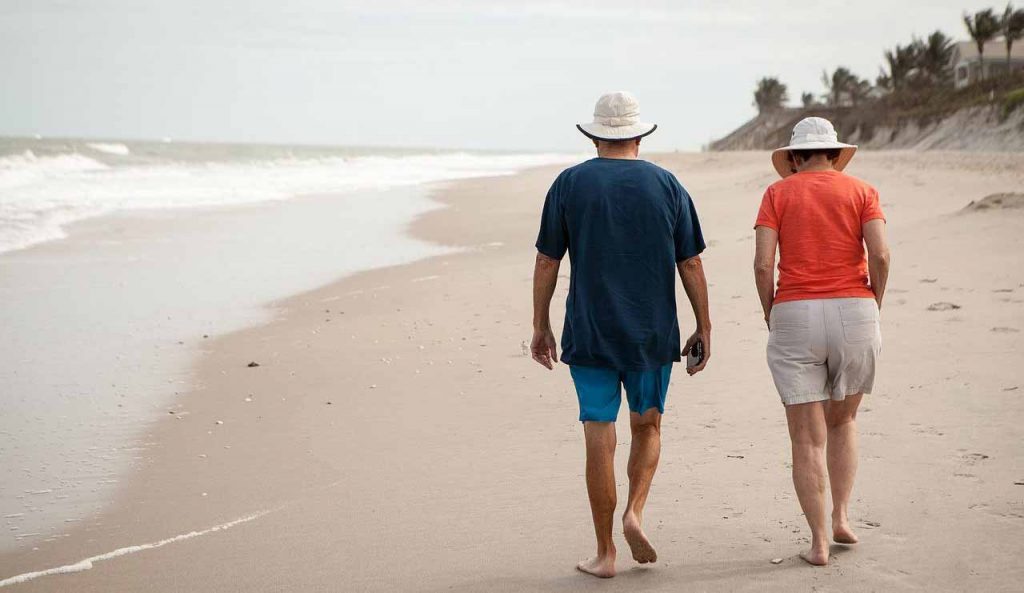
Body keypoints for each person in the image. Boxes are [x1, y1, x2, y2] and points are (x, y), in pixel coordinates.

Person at [531, 91, 711, 578]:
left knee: (598, 432)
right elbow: (689, 261)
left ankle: (606, 552)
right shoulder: (668, 185)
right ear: (639, 135)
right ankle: (635, 511)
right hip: (652, 333)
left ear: (594, 137)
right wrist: (704, 325)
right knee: (647, 425)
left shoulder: (569, 184)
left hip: (589, 331)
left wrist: (540, 323)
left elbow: (548, 259)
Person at [753, 117, 891, 566]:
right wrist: (875, 302)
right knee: (843, 421)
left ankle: (817, 543)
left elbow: (762, 265)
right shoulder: (862, 191)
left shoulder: (777, 194)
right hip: (855, 308)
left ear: (794, 158)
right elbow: (881, 254)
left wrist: (771, 312)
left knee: (806, 438)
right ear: (834, 154)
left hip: (795, 311)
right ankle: (842, 518)